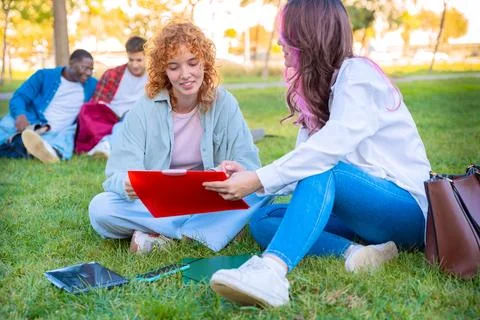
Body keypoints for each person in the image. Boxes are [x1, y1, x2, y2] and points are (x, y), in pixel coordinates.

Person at [205, 0, 431, 308]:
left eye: (287, 36)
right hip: (362, 216)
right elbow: (305, 163)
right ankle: (358, 254)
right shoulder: (320, 90)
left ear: (311, 37)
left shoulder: (358, 75)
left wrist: (258, 179)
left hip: (408, 212)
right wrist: (249, 177)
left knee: (325, 168)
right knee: (263, 219)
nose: (280, 43)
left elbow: (324, 155)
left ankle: (272, 271)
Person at [88, 21, 270, 254]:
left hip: (212, 197)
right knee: (100, 208)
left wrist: (239, 170)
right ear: (164, 70)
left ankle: (162, 235)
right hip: (157, 202)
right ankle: (206, 232)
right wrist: (126, 183)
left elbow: (251, 165)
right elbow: (115, 175)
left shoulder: (224, 102)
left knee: (264, 194)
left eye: (193, 63)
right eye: (174, 67)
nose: (185, 75)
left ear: (204, 61)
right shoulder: (144, 109)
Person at [0, 49, 97, 163]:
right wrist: (20, 115)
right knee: (7, 125)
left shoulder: (92, 84)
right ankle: (21, 145)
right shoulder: (45, 76)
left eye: (91, 69)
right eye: (84, 68)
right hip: (32, 121)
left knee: (64, 140)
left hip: (57, 133)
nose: (89, 73)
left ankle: (25, 146)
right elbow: (20, 96)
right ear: (71, 63)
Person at [75, 36, 148, 158]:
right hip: (110, 116)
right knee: (86, 110)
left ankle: (106, 144)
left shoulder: (155, 78)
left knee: (130, 117)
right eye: (131, 60)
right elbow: (96, 102)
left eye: (139, 60)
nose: (135, 65)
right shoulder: (113, 74)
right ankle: (106, 145)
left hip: (136, 116)